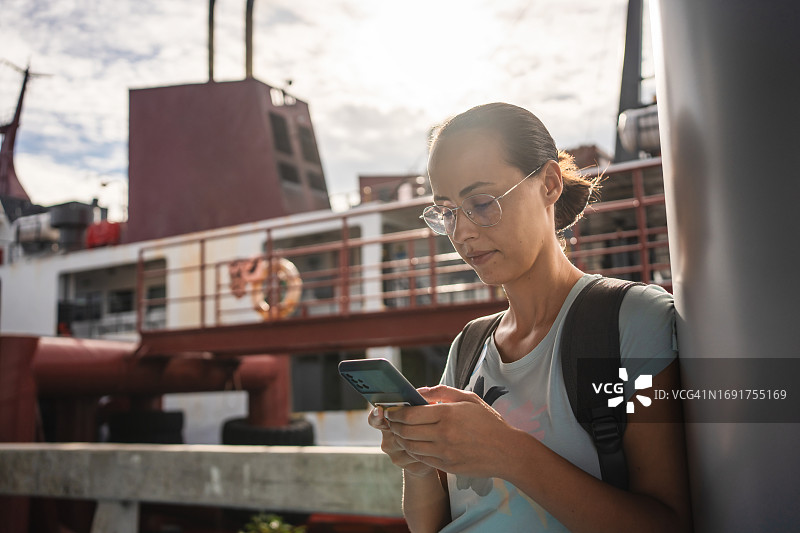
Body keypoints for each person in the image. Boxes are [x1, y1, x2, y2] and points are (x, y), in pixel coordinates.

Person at [367, 103, 692, 532]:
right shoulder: (469, 346)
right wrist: (418, 461)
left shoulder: (631, 321)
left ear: (549, 184)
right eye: (446, 211)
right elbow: (429, 525)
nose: (461, 232)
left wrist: (507, 451)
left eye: (481, 203)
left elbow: (668, 524)